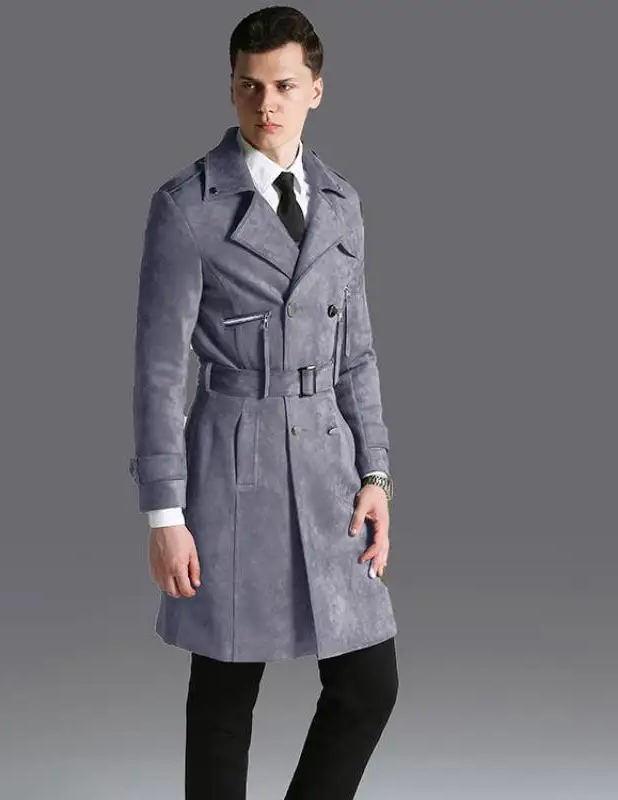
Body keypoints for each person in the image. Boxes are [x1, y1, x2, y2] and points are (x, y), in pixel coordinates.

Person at [129, 6, 399, 798]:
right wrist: (164, 515)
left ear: (316, 89)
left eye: (283, 86)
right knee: (224, 690)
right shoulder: (187, 207)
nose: (266, 104)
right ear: (232, 88)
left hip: (328, 467)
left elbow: (358, 354)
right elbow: (157, 372)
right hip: (231, 464)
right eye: (249, 86)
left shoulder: (341, 205)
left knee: (368, 685)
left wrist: (377, 475)